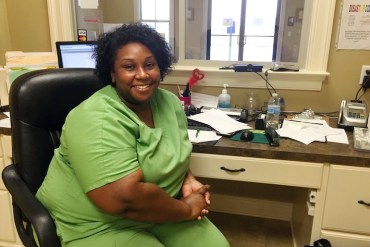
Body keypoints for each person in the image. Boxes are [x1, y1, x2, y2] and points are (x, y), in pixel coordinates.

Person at [36, 23, 230, 247]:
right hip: (95, 224)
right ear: (112, 73)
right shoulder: (96, 118)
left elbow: (169, 147)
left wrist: (187, 178)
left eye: (150, 65)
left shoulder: (168, 102)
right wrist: (186, 209)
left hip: (158, 208)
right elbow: (123, 200)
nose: (142, 75)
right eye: (129, 67)